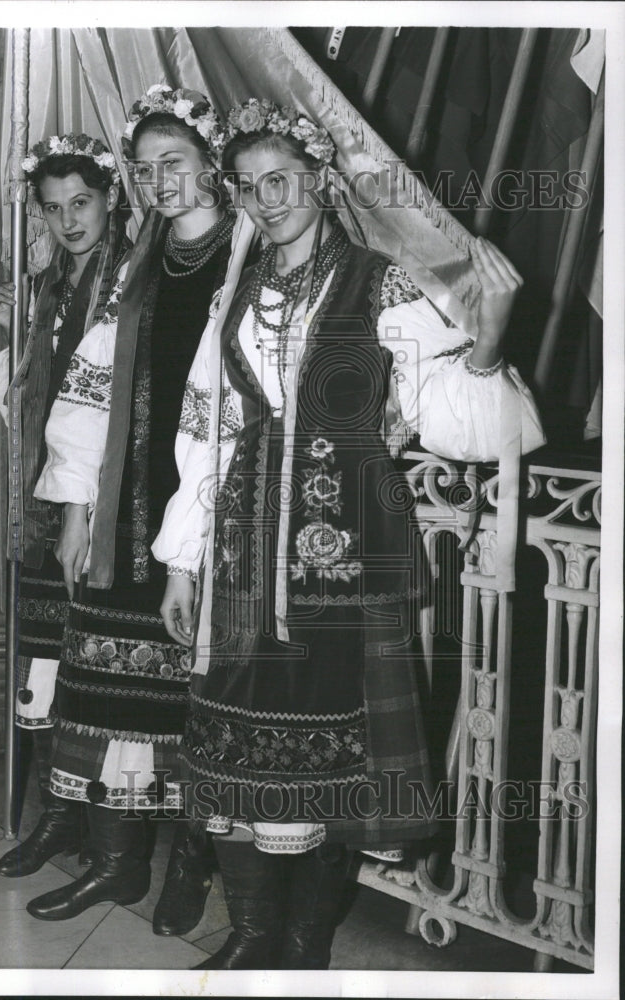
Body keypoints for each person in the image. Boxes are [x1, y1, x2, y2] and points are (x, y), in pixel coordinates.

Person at [154, 99, 546, 969]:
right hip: (241, 552)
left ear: (322, 180)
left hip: (345, 549)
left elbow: (457, 424)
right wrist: (183, 560)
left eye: (281, 181)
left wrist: (487, 340)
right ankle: (253, 931)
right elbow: (206, 430)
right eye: (249, 187)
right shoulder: (234, 295)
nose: (265, 201)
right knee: (232, 736)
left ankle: (300, 943)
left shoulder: (381, 282)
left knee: (334, 755)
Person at [21, 87, 237, 933]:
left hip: (214, 504)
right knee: (106, 684)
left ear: (209, 161)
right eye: (144, 170)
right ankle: (116, 866)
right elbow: (90, 381)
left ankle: (194, 864)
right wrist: (76, 509)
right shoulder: (139, 261)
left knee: (202, 701)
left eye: (172, 163)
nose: (157, 182)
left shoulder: (249, 254)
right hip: (124, 510)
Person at [0, 134, 131, 877]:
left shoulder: (131, 277)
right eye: (53, 208)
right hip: (44, 498)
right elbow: (28, 408)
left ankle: (113, 838)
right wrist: (22, 340)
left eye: (82, 203)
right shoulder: (46, 285)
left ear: (110, 199)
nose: (69, 220)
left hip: (104, 497)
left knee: (96, 670)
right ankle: (54, 819)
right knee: (42, 659)